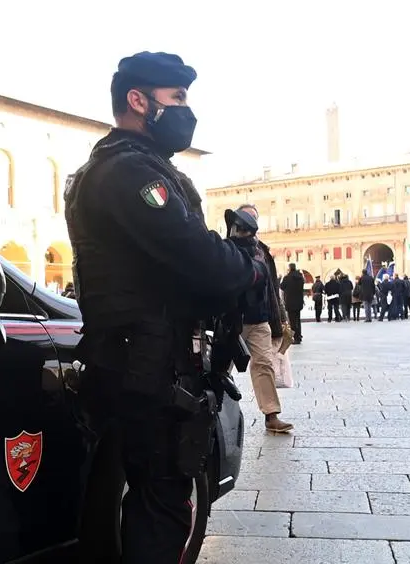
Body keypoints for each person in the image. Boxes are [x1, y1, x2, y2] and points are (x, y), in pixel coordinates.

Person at [63, 51, 269, 563]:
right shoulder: (132, 173)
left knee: (151, 499)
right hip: (149, 368)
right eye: (175, 98)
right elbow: (200, 259)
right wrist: (247, 262)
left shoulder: (122, 167)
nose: (185, 110)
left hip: (140, 362)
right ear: (138, 101)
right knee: (162, 505)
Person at [226, 206, 293, 433]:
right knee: (223, 367)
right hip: (233, 319)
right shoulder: (226, 249)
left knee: (264, 364)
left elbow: (272, 288)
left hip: (259, 319)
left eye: (253, 218)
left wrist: (281, 318)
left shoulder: (262, 250)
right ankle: (214, 411)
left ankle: (271, 414)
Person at [280, 263, 305, 343]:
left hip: (290, 302)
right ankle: (299, 335)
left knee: (292, 321)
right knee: (298, 319)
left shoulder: (287, 278)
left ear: (290, 268)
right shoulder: (300, 278)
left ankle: (296, 338)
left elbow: (282, 286)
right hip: (299, 302)